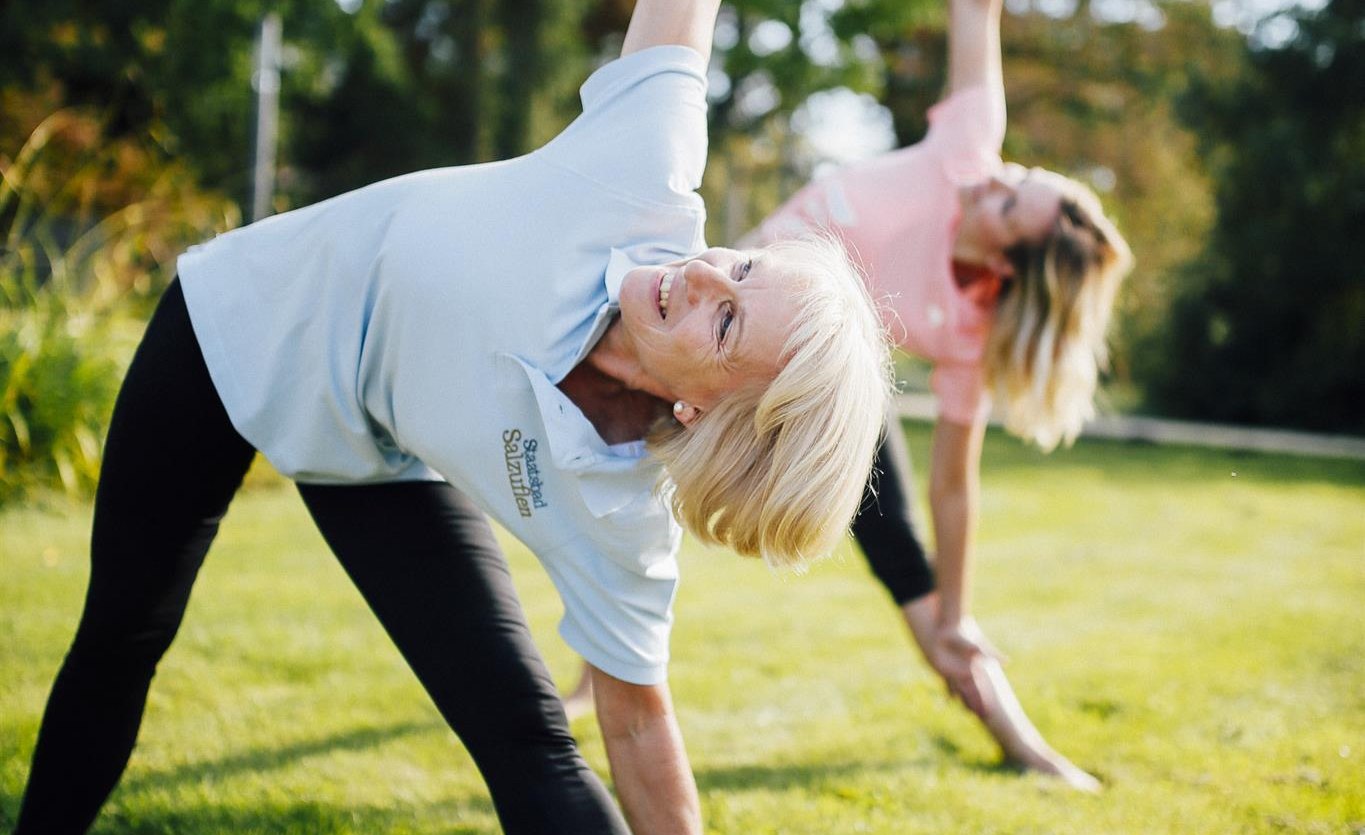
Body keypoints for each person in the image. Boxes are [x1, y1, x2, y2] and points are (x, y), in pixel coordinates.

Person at [13, 2, 893, 832]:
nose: (702, 273)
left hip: (370, 454)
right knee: (124, 635)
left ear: (703, 414)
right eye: (742, 267)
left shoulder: (620, 513)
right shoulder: (642, 173)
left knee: (528, 739)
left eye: (726, 319)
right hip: (234, 324)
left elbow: (632, 726)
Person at [564, 0, 1132, 793]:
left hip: (805, 379)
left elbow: (952, 485)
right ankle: (593, 685)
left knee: (909, 566)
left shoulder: (970, 327)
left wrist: (960, 609)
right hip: (711, 311)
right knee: (629, 492)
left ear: (1007, 263)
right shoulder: (968, 145)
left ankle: (1018, 736)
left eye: (1009, 201)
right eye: (1019, 174)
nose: (994, 178)